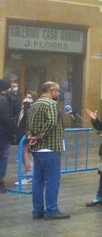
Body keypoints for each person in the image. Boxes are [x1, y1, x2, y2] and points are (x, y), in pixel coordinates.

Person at [27, 81, 69, 219]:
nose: (58, 94)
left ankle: (37, 210)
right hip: (50, 148)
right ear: (53, 91)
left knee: (38, 181)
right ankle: (51, 210)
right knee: (52, 180)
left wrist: (31, 136)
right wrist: (39, 136)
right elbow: (51, 122)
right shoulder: (51, 104)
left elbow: (28, 122)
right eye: (58, 92)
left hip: (36, 149)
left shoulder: (35, 104)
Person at [0, 79, 17, 193]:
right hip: (3, 133)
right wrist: (15, 130)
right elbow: (6, 118)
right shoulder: (3, 100)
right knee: (3, 157)